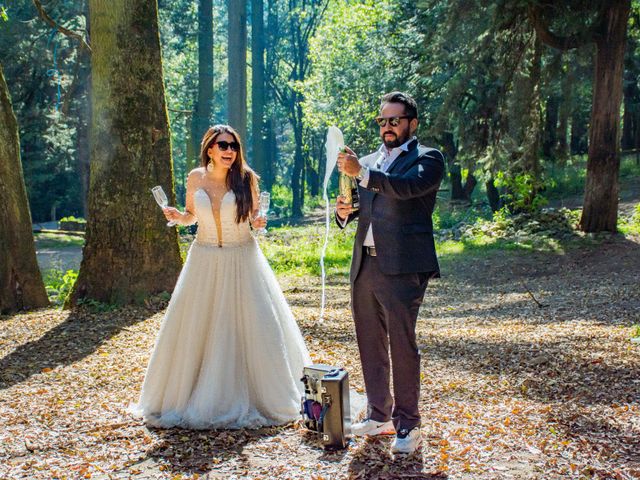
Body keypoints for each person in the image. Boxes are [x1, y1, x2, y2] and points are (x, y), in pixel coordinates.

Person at [132, 124, 311, 429]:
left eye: (234, 146)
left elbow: (255, 221)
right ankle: (193, 394)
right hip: (203, 260)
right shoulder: (195, 177)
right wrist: (179, 217)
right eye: (224, 145)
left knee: (251, 326)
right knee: (198, 326)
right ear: (210, 149)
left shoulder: (246, 179)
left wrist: (259, 221)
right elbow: (192, 215)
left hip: (242, 259)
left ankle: (255, 393)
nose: (230, 151)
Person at [335, 92, 444, 454]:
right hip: (364, 263)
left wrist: (363, 174)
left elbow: (406, 189)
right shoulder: (367, 162)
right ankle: (379, 414)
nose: (387, 127)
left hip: (403, 267)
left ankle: (408, 425)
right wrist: (344, 212)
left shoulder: (428, 158)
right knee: (370, 340)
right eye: (382, 121)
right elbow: (361, 209)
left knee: (401, 343)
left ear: (412, 123)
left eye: (394, 121)